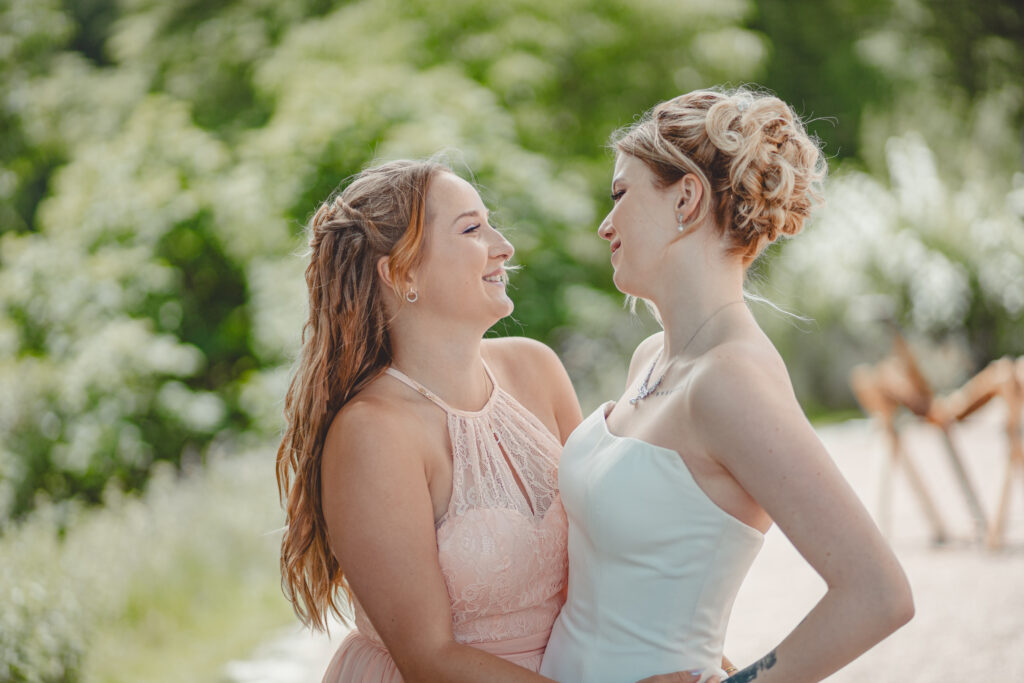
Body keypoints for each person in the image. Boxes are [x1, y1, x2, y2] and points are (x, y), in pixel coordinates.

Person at [275, 159, 713, 682]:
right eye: (471, 229)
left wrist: (680, 654)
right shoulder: (373, 432)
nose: (503, 246)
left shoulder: (536, 368)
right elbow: (428, 658)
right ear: (401, 273)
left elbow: (604, 554)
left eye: (491, 223)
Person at [540, 88, 914, 683]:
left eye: (620, 194)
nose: (606, 225)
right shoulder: (650, 358)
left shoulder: (730, 381)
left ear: (686, 198)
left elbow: (878, 593)